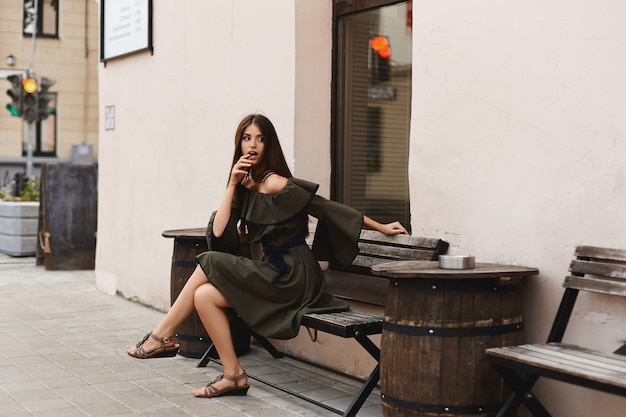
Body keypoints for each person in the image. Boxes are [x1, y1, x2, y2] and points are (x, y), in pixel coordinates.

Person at [126, 113, 408, 398]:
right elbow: (221, 232)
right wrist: (232, 185)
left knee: (209, 261)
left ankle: (160, 336)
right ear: (239, 144)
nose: (253, 145)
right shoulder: (245, 185)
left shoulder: (275, 183)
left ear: (269, 144)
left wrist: (382, 227)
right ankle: (234, 375)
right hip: (272, 273)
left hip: (295, 276)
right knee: (204, 296)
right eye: (247, 138)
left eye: (260, 138)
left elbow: (329, 209)